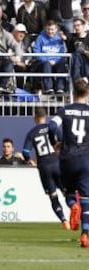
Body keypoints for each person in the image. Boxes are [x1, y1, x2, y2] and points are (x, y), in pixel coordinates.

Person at [48, 78, 89, 247]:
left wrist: (55, 143)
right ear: (87, 93)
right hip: (86, 158)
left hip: (67, 158)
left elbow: (51, 126)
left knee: (70, 194)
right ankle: (85, 234)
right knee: (86, 197)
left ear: (73, 93)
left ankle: (73, 205)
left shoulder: (64, 111)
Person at [22, 107, 69, 230]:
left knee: (53, 196)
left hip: (44, 167)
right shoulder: (52, 128)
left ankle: (64, 220)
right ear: (45, 116)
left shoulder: (32, 133)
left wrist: (29, 161)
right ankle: (76, 209)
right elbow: (64, 142)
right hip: (56, 163)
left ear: (35, 117)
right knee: (66, 192)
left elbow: (25, 152)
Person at [32, 20, 67, 95]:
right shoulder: (40, 38)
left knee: (62, 64)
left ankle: (60, 88)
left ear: (56, 29)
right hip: (43, 62)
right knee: (46, 64)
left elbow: (62, 52)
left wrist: (55, 61)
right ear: (45, 29)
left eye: (52, 29)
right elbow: (36, 51)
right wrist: (47, 60)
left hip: (57, 61)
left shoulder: (59, 38)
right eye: (48, 29)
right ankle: (48, 88)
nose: (50, 31)